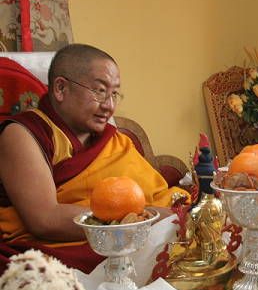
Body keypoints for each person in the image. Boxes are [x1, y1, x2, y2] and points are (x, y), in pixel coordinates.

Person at [0, 44, 187, 274]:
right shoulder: (23, 133)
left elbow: (157, 194)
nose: (109, 106)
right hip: (55, 255)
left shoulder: (112, 142)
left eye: (114, 94)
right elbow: (44, 220)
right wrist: (141, 221)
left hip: (118, 242)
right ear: (60, 88)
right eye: (100, 91)